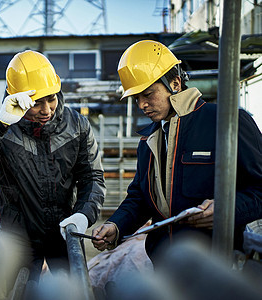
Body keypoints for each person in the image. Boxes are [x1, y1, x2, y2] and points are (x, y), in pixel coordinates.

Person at [92, 40, 262, 264]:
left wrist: (227, 209)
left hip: (217, 265)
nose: (142, 105)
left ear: (175, 83)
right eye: (136, 99)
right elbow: (139, 198)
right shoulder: (148, 139)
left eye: (148, 95)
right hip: (165, 264)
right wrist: (116, 225)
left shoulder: (227, 121)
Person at [0, 50, 105, 285]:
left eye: (51, 98)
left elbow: (92, 177)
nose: (46, 109)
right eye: (36, 102)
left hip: (65, 232)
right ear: (17, 97)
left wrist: (83, 214)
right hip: (18, 238)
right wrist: (0, 125)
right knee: (20, 292)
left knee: (74, 291)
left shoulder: (78, 126)